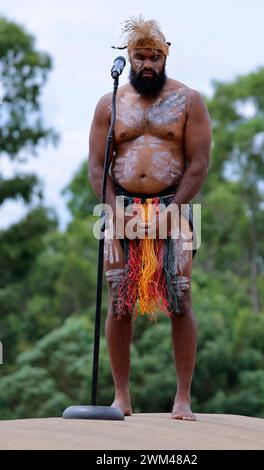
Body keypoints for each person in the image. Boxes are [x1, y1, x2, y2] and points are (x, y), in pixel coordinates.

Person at [89, 15, 211, 421]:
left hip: (174, 207)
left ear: (165, 57)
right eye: (140, 56)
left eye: (154, 57)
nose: (146, 64)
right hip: (120, 207)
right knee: (119, 300)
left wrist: (172, 212)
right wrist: (112, 210)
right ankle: (121, 397)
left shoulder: (188, 100)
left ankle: (182, 399)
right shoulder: (110, 102)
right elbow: (96, 166)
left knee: (180, 296)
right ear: (128, 57)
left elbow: (198, 164)